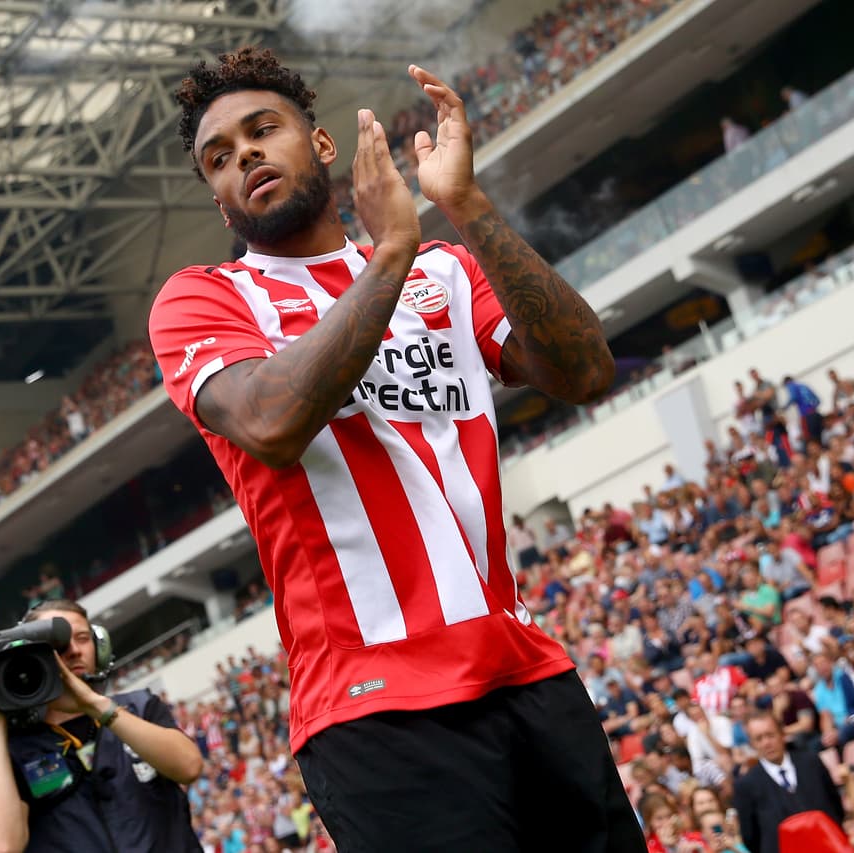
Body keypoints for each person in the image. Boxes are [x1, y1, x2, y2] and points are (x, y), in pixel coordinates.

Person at [149, 49, 634, 852]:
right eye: (220, 158)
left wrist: (466, 205)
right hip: (375, 706)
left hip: (530, 671)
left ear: (324, 144)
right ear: (221, 201)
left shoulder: (441, 271)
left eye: (263, 130)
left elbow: (584, 369)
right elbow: (272, 422)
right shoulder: (205, 299)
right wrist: (386, 255)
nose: (245, 158)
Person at [0, 600, 204, 853]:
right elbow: (1, 847)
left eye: (82, 638)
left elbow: (189, 767)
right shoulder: (7, 746)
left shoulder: (140, 707)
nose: (74, 650)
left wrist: (95, 706)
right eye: (57, 643)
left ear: (100, 647)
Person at [732, 712, 844, 853]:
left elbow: (836, 806)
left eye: (770, 735)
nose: (766, 743)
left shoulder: (811, 763)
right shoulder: (745, 785)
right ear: (752, 744)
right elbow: (751, 838)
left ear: (782, 734)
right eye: (759, 739)